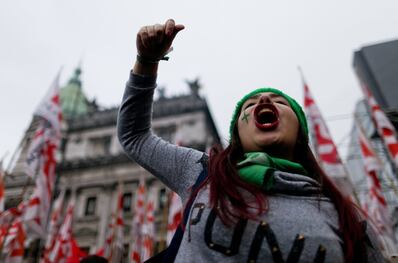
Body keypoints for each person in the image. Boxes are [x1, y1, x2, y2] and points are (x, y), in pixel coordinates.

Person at [117, 19, 384, 263]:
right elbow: (134, 137)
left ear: (301, 133)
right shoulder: (202, 173)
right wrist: (147, 61)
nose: (265, 101)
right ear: (237, 136)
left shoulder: (348, 216)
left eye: (279, 102)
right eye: (250, 104)